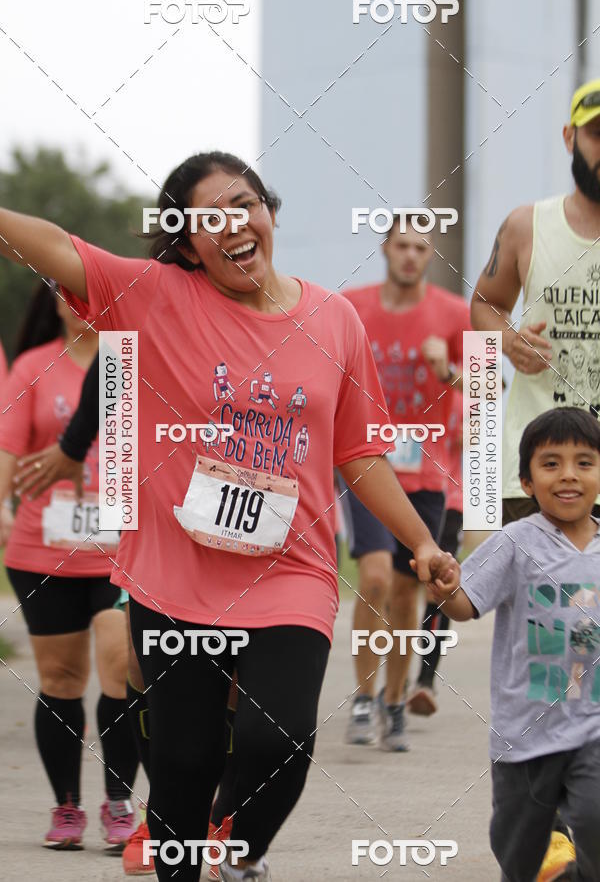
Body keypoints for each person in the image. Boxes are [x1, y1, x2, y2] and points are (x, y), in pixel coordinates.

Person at [0, 152, 456, 882]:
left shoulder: (332, 318)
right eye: (207, 219)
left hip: (291, 569)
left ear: (268, 210)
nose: (232, 225)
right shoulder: (152, 295)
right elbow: (52, 245)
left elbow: (361, 452)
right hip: (174, 575)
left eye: (243, 204)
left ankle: (237, 848)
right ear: (185, 244)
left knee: (279, 739)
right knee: (182, 765)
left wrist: (423, 542)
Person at [14, 352, 237, 878]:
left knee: (225, 678)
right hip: (105, 544)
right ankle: (157, 815)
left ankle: (215, 815)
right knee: (129, 665)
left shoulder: (201, 342)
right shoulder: (61, 361)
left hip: (206, 534)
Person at [425, 407, 600, 882]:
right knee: (520, 857)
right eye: (551, 464)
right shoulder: (517, 542)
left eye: (584, 463)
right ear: (525, 481)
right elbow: (466, 604)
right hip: (525, 735)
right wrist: (444, 589)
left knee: (595, 823)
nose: (568, 475)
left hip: (593, 730)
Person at [0, 281, 138, 851]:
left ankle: (119, 802)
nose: (80, 304)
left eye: (90, 294)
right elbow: (8, 448)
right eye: (68, 293)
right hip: (42, 550)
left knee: (117, 670)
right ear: (54, 301)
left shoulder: (129, 362)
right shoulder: (33, 365)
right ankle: (66, 809)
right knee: (60, 680)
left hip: (120, 554)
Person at [342, 215, 470, 750]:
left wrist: (450, 373)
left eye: (421, 247)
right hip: (366, 459)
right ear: (385, 249)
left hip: (429, 469)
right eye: (402, 245)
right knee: (371, 578)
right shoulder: (351, 307)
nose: (411, 256)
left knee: (404, 587)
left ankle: (395, 701)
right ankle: (365, 696)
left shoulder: (454, 314)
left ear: (431, 255)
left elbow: (488, 391)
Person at [471, 77, 600, 527]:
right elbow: (485, 306)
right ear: (570, 137)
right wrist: (509, 343)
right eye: (597, 132)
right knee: (536, 599)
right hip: (537, 465)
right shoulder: (527, 225)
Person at [407, 389, 464, 716]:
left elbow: (478, 434)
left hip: (448, 501)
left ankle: (424, 682)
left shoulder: (465, 386)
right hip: (405, 497)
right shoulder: (410, 382)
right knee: (396, 589)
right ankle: (393, 680)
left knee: (437, 592)